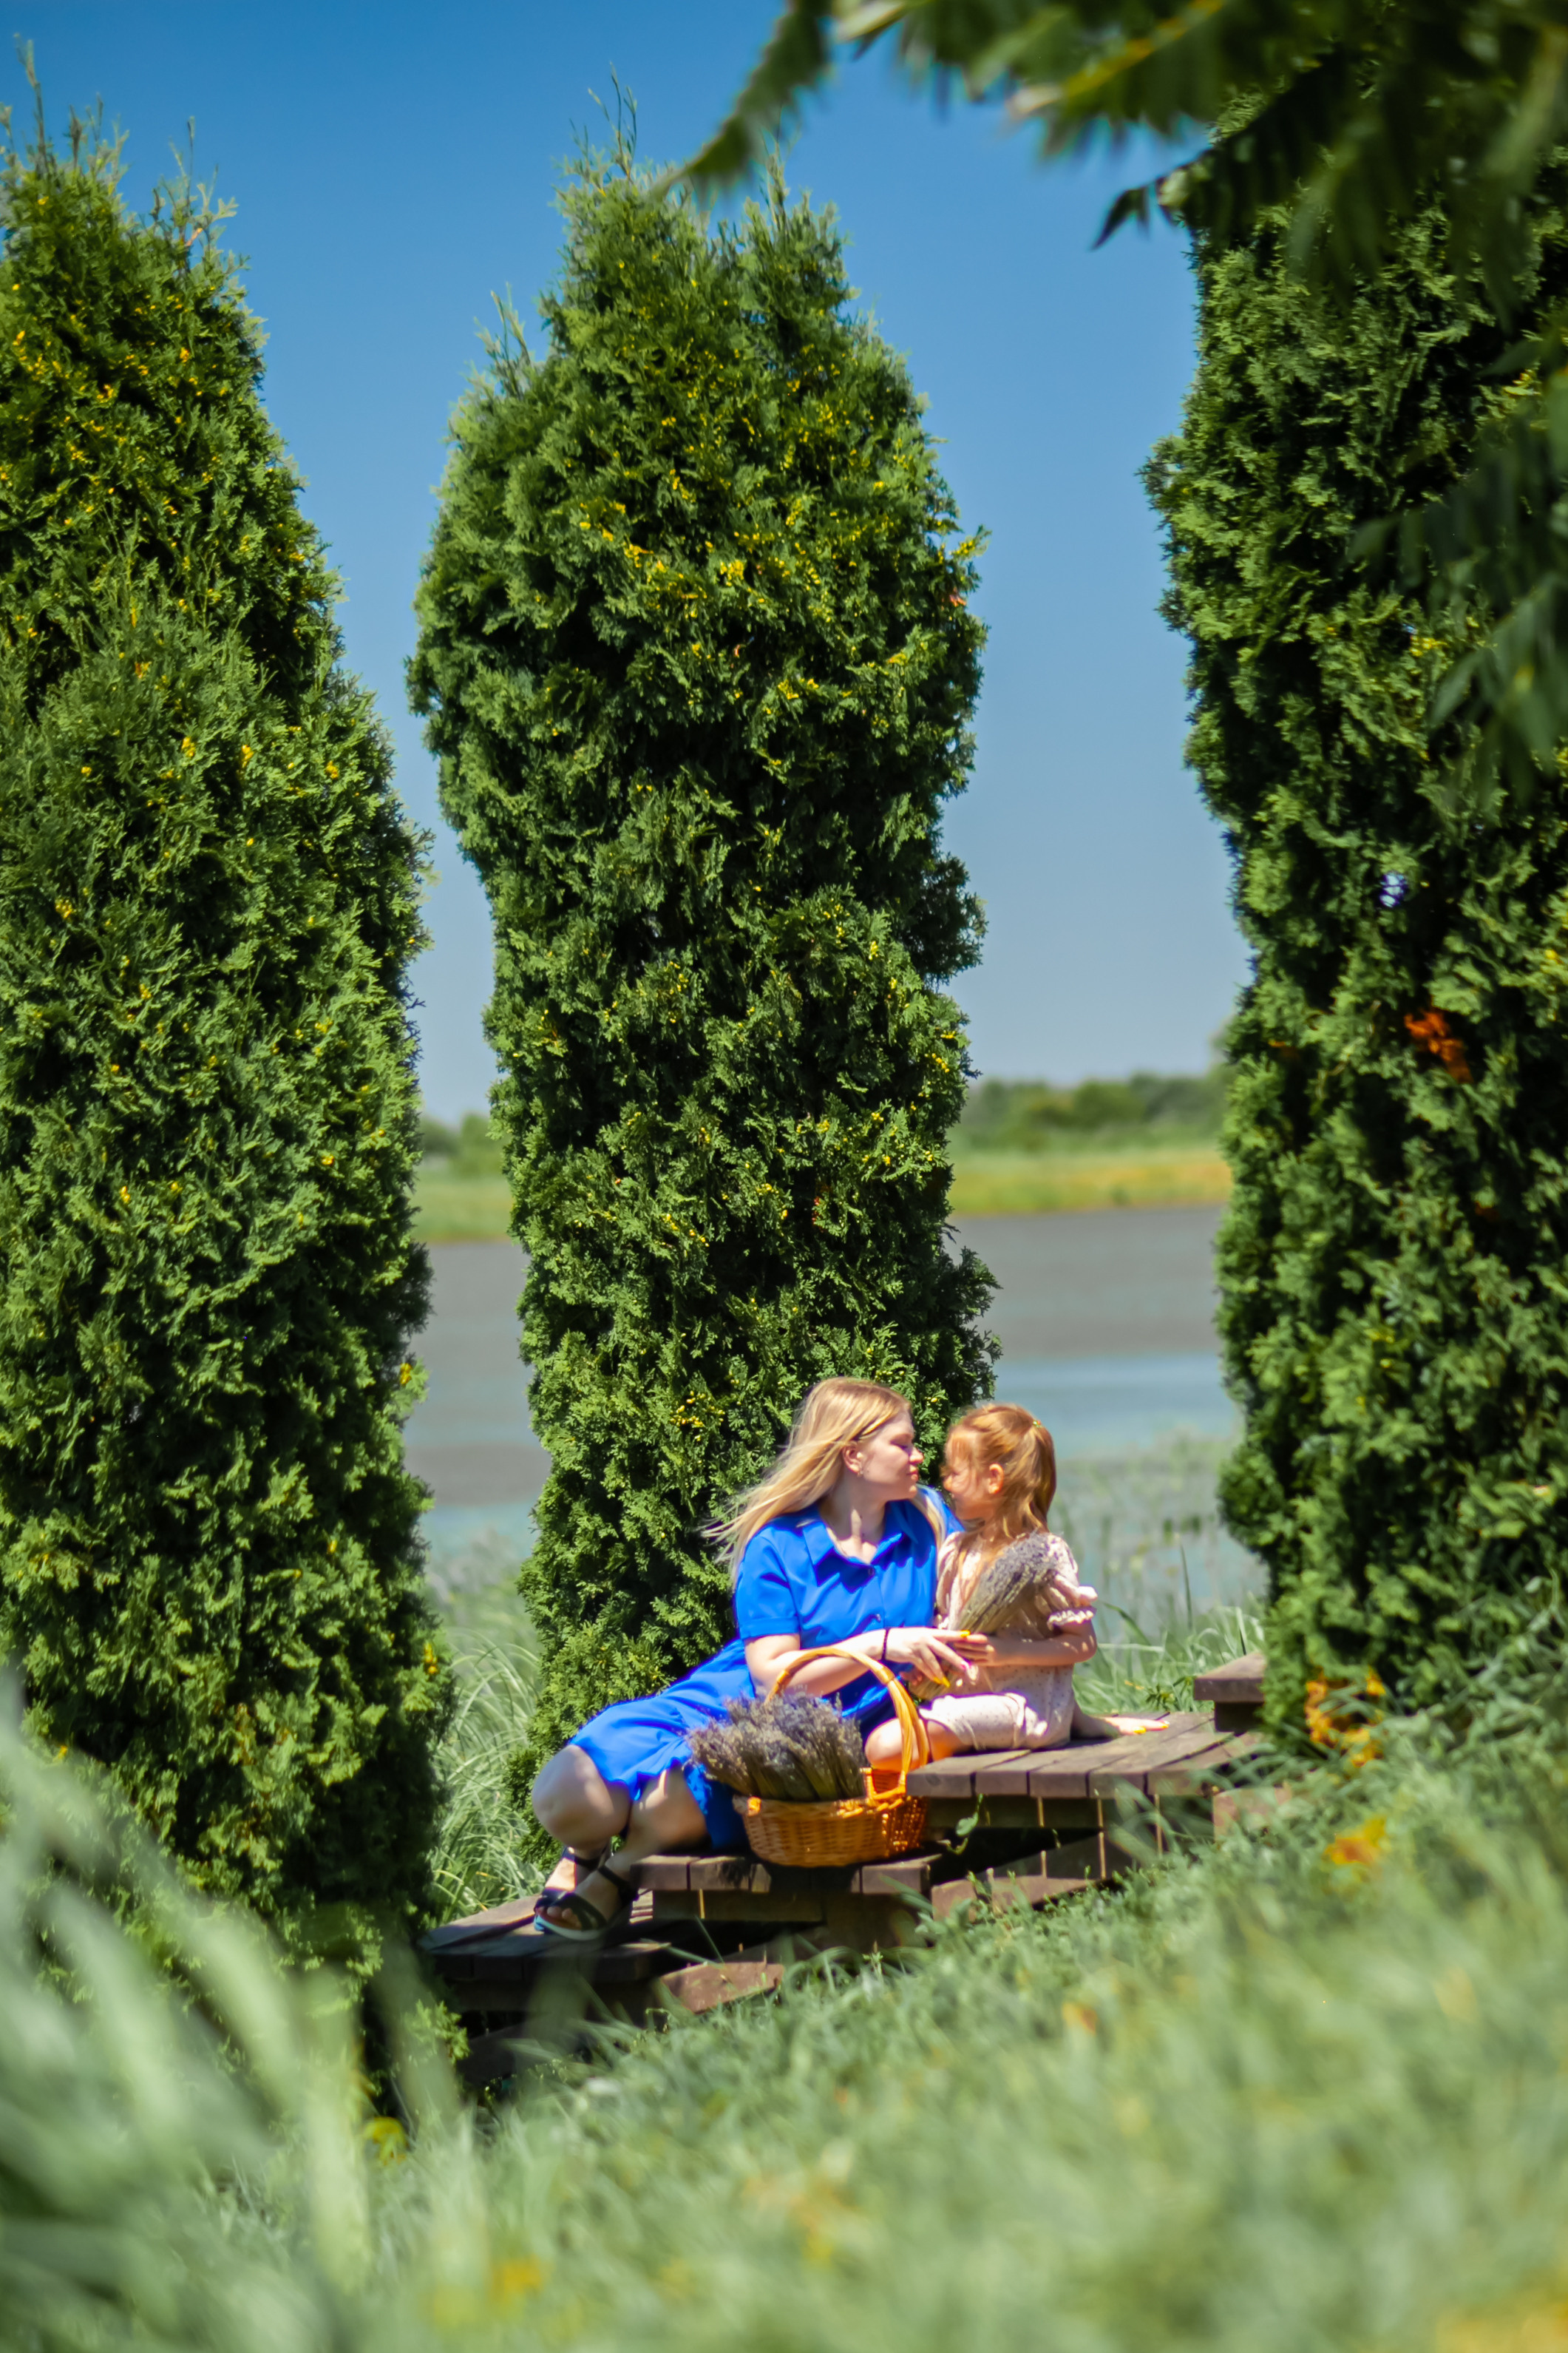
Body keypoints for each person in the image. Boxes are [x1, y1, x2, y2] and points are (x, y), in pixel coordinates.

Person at [529, 1376, 1025, 1940]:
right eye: (903, 1444)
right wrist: (882, 1646)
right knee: (567, 1796)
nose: (919, 1456)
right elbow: (775, 1676)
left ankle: (622, 1871)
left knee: (661, 1809)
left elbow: (1012, 1552)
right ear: (853, 1455)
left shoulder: (931, 1519)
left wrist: (1053, 1623)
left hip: (802, 1733)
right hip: (733, 1695)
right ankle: (586, 1847)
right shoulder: (779, 1545)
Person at [864, 1401, 1133, 1767]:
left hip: (1024, 1708)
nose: (946, 1482)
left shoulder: (1044, 1556)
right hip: (968, 1702)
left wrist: (1006, 1653)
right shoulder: (956, 1551)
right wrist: (931, 1664)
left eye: (955, 1472)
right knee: (887, 1741)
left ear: (993, 1479)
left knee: (884, 1746)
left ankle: (1061, 1721)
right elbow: (949, 1624)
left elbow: (1082, 1643)